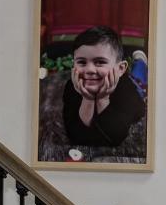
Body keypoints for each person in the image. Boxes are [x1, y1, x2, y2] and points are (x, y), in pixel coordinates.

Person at [57, 27, 147, 158]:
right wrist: (87, 99)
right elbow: (76, 136)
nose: (89, 69)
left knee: (139, 76)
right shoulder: (71, 87)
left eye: (100, 62)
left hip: (135, 87)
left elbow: (114, 138)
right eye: (82, 62)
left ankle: (140, 61)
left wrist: (102, 99)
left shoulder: (126, 91)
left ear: (120, 68)